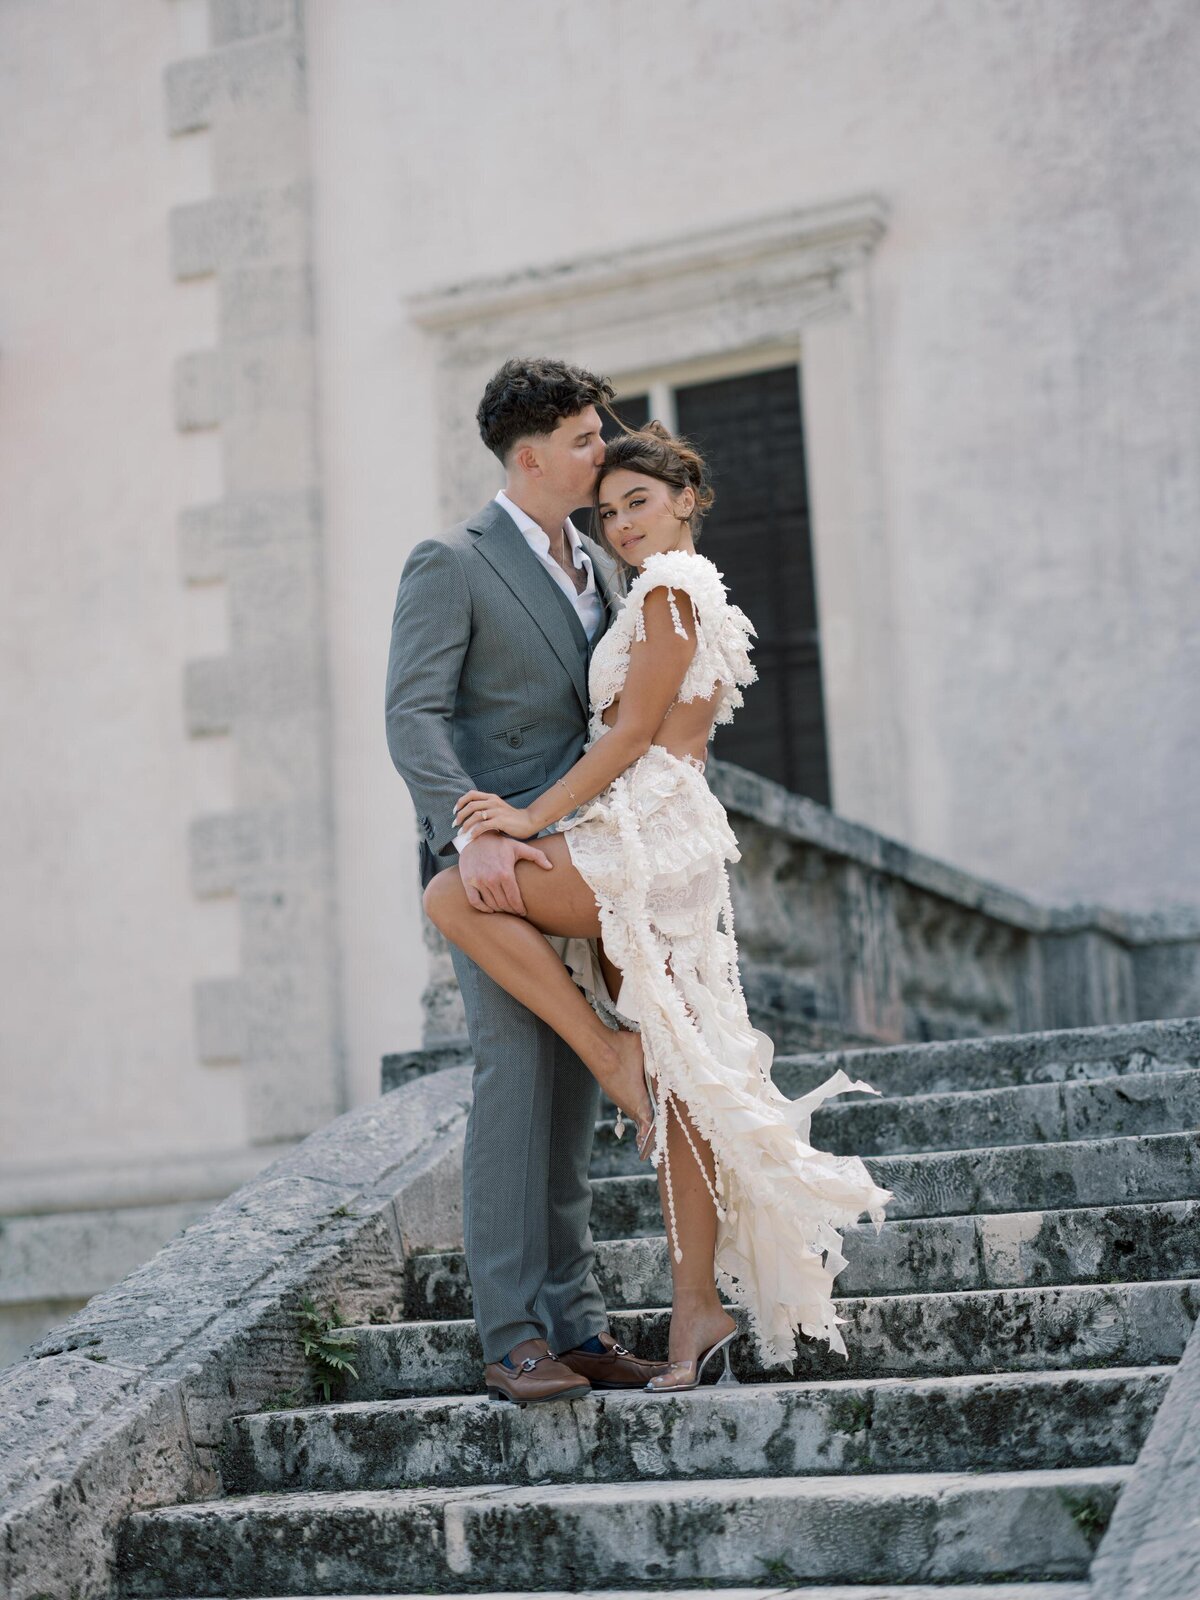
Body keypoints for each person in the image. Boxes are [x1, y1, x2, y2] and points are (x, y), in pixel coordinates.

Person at [424, 417, 896, 1392]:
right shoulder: (673, 590)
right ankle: (699, 1314)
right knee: (683, 1077)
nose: (624, 523)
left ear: (687, 497)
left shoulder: (675, 586)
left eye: (640, 501)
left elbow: (633, 731)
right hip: (661, 834)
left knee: (454, 893)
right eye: (609, 511)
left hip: (646, 835)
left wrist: (523, 818)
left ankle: (607, 1055)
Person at [386, 356, 671, 1406]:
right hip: (498, 869)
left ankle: (577, 1321)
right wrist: (471, 832)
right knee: (515, 1079)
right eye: (592, 437)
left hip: (590, 857)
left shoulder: (600, 566)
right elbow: (411, 714)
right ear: (534, 452)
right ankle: (511, 1335)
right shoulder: (450, 561)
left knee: (570, 1096)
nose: (608, 451)